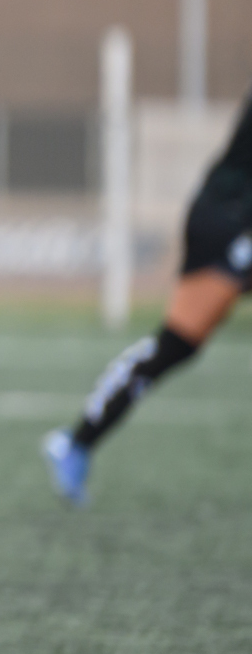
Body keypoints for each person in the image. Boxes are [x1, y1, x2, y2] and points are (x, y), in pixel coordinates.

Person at [41, 86, 252, 504]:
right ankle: (76, 441)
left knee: (177, 347)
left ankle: (77, 442)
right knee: (177, 343)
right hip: (231, 215)